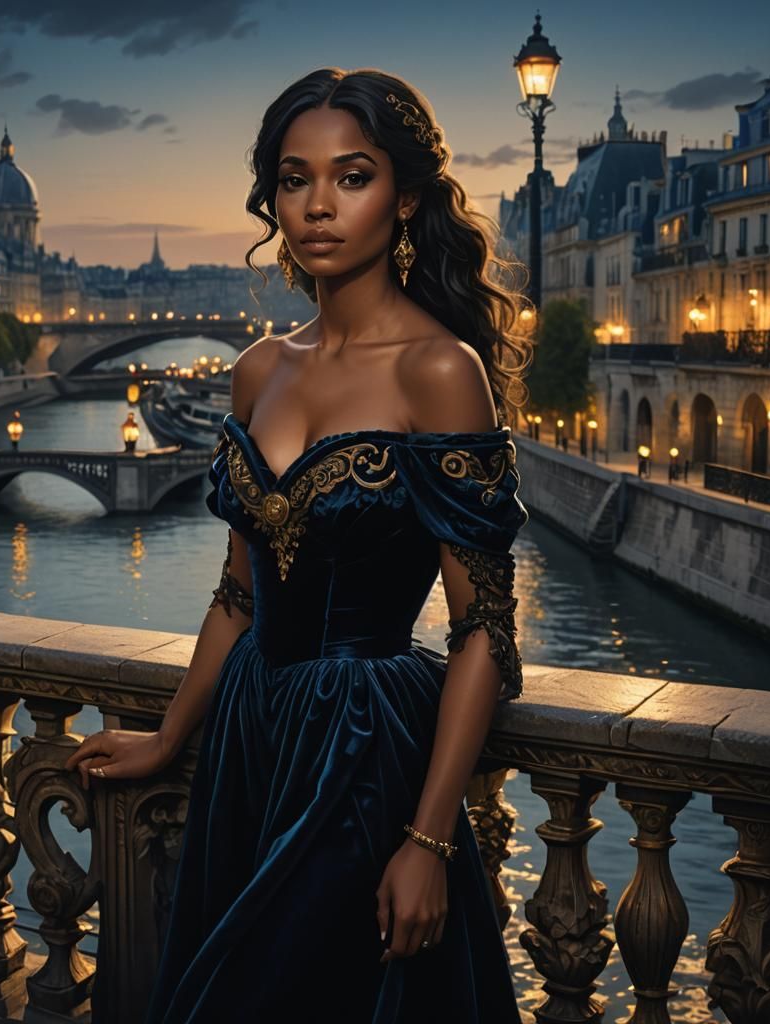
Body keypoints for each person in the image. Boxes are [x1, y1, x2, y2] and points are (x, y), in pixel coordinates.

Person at [65, 66, 532, 1023]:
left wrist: (430, 838)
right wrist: (169, 735)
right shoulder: (256, 369)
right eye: (293, 178)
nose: (317, 206)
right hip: (249, 736)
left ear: (404, 198)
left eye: (351, 177)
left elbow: (483, 626)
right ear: (271, 197)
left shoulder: (440, 368)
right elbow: (238, 596)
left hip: (362, 745)